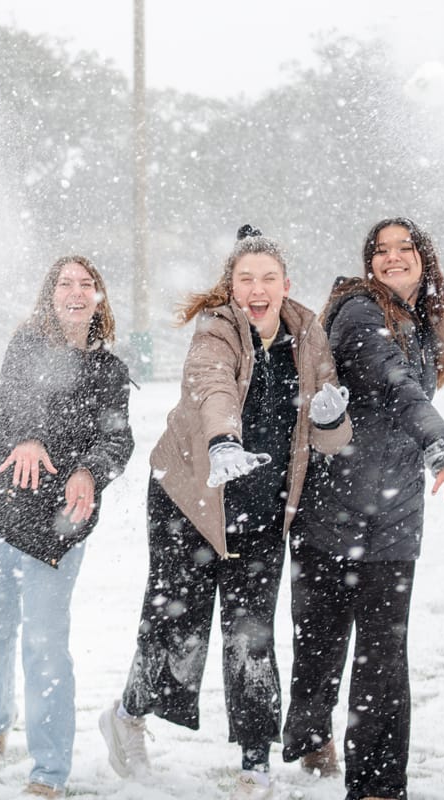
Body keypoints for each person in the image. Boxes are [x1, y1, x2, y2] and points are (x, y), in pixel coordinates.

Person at [98, 227, 354, 800]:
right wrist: (222, 444)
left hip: (263, 512)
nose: (257, 289)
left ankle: (254, 762)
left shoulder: (309, 336)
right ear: (231, 287)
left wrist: (334, 419)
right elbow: (213, 387)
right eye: (246, 280)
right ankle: (128, 714)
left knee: (251, 637)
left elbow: (329, 435)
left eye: (268, 279)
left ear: (285, 286)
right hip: (190, 499)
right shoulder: (216, 330)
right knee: (175, 627)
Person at [281, 217, 444, 800]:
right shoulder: (364, 312)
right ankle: (312, 731)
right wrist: (443, 446)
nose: (394, 258)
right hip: (332, 509)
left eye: (405, 248)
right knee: (320, 642)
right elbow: (398, 385)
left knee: (383, 657)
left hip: (393, 514)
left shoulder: (423, 323)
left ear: (424, 258)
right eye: (382, 250)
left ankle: (377, 786)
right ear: (370, 262)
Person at [0, 254, 134, 799]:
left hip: (58, 526)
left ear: (99, 298)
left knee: (45, 644)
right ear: (49, 296)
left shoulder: (111, 371)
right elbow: (9, 403)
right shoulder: (25, 346)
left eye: (86, 284)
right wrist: (28, 438)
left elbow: (117, 440)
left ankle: (48, 771)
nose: (76, 291)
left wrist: (88, 471)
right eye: (65, 283)